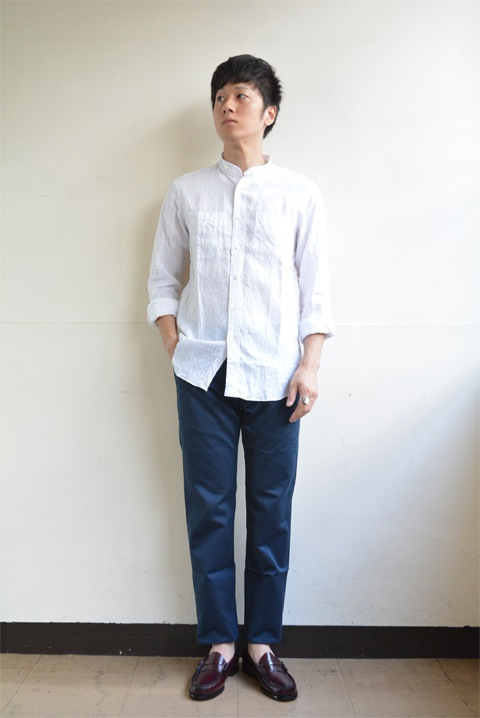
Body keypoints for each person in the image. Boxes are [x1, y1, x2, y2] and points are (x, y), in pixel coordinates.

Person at [147, 54, 334, 702]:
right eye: (220, 97)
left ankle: (263, 644)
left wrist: (310, 364)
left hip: (278, 376)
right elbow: (162, 281)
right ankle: (220, 644)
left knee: (271, 511)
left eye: (241, 96)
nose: (227, 106)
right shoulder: (187, 192)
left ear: (269, 112)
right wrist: (174, 342)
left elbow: (316, 291)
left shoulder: (299, 194)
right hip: (203, 374)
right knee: (209, 510)